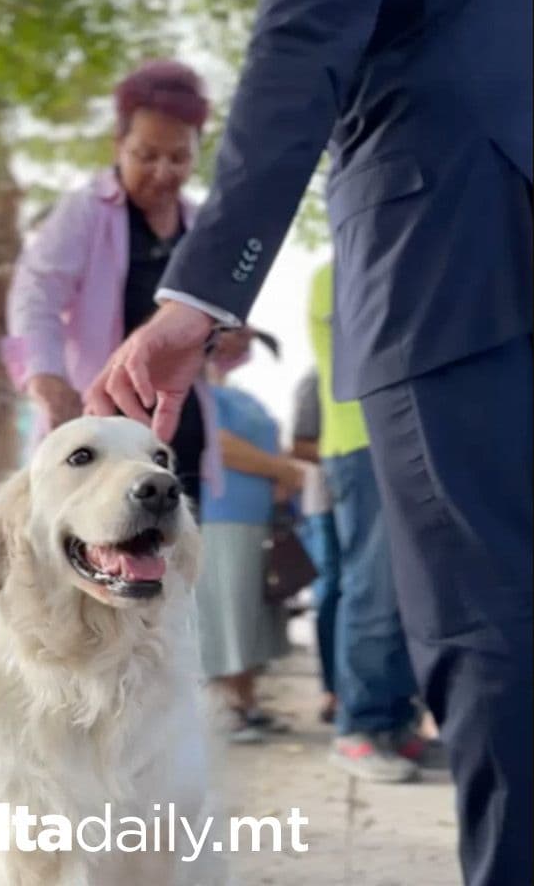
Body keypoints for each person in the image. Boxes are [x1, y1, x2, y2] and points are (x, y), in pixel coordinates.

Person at [108, 0, 534, 880]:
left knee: (472, 630)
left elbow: (295, 62)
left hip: (431, 265)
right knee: (472, 617)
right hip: (461, 252)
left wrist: (193, 295)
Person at [1, 60, 246, 507]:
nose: (163, 171)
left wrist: (228, 339)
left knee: (175, 565)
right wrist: (46, 375)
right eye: (146, 156)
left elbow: (216, 327)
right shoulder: (85, 213)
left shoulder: (200, 227)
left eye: (179, 157)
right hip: (95, 430)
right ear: (119, 145)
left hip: (177, 433)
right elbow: (35, 293)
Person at [309, 259, 425, 782]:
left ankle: (395, 722)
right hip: (362, 444)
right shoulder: (340, 271)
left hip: (401, 440)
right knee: (372, 589)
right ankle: (358, 729)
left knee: (405, 593)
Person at [196, 332, 301, 742]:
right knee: (226, 612)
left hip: (258, 517)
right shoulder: (199, 394)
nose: (241, 347)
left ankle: (246, 699)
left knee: (253, 613)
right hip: (221, 515)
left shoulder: (241, 396)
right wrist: (280, 470)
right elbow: (216, 444)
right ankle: (221, 706)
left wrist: (281, 474)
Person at [291, 367, 340, 727]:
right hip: (326, 506)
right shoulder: (315, 379)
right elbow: (301, 445)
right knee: (330, 595)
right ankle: (332, 689)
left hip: (368, 506)